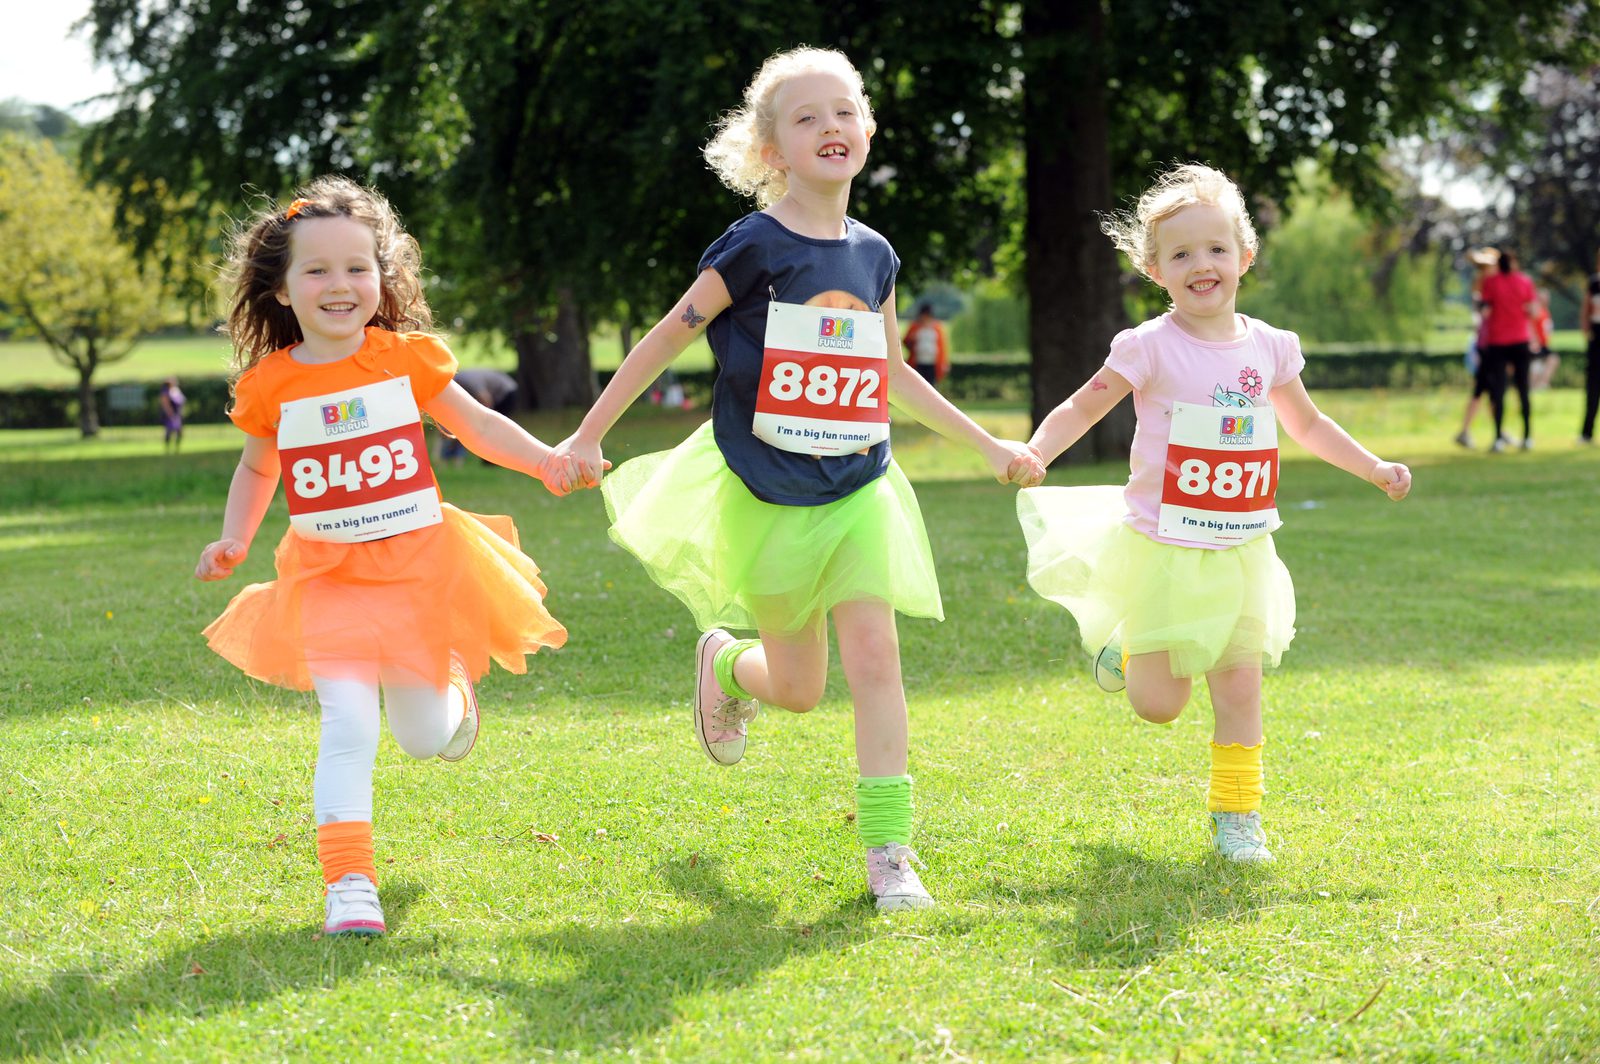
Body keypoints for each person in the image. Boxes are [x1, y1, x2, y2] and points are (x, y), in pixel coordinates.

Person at [549, 46, 1042, 911]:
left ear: (867, 130)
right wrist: (589, 433)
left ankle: (890, 854)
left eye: (845, 111)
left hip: (859, 487)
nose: (831, 128)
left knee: (878, 660)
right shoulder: (753, 244)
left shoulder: (876, 254)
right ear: (771, 148)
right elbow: (668, 334)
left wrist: (990, 447)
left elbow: (893, 375)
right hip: (767, 488)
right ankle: (730, 667)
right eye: (807, 118)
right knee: (804, 689)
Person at [194, 176, 572, 936]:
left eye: (357, 267)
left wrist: (547, 461)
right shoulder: (272, 384)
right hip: (327, 576)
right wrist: (236, 535)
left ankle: (454, 694)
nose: (340, 285)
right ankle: (350, 884)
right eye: (318, 270)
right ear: (280, 289)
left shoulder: (405, 360)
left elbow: (476, 427)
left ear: (384, 275)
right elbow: (257, 467)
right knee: (347, 724)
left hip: (418, 569)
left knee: (422, 736)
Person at [1015, 163, 1411, 864]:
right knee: (1158, 705)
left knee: (1238, 686)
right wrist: (1038, 449)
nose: (1202, 265)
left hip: (1242, 547)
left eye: (1217, 249)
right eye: (1181, 254)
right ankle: (1132, 640)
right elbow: (1084, 403)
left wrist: (1374, 467)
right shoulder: (1148, 346)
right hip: (1164, 546)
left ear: (1245, 256)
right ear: (1155, 269)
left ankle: (1238, 816)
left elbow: (1310, 427)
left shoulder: (1271, 348)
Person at [1479, 250, 1541, 451]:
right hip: (1520, 340)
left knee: (1499, 390)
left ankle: (1498, 438)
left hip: (1498, 341)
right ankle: (1527, 436)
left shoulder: (1490, 282)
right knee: (1523, 389)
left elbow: (1485, 310)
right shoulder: (1524, 281)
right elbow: (1533, 310)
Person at [1453, 248, 1498, 449]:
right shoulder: (1484, 287)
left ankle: (1497, 429)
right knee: (1485, 389)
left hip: (1486, 344)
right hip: (1486, 346)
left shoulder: (1485, 285)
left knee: (1487, 390)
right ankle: (1468, 431)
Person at [439, 367, 519, 464]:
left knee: (498, 427)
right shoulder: (457, 382)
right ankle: (490, 459)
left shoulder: (467, 381)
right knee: (491, 429)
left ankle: (500, 459)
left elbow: (486, 399)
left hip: (507, 391)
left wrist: (487, 419)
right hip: (496, 393)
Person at [901, 302, 949, 387]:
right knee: (918, 385)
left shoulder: (937, 327)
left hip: (932, 363)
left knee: (931, 385)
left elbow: (942, 347)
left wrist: (944, 362)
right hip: (918, 362)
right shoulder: (915, 326)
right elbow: (906, 342)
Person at [1527, 283, 1560, 391]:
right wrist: (1533, 341)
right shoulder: (1537, 311)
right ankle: (1540, 384)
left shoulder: (1546, 312)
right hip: (1537, 344)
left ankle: (1542, 383)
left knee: (1552, 360)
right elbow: (1530, 325)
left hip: (1543, 345)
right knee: (1549, 361)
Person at [1583, 250, 1600, 444]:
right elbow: (1586, 311)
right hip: (1597, 337)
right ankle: (1587, 432)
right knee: (1593, 386)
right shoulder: (1594, 283)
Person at [158, 375, 186, 452]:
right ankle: (168, 448)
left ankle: (176, 448)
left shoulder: (175, 390)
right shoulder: (166, 391)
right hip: (171, 415)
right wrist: (170, 413)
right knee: (169, 431)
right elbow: (165, 404)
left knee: (179, 432)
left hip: (177, 414)